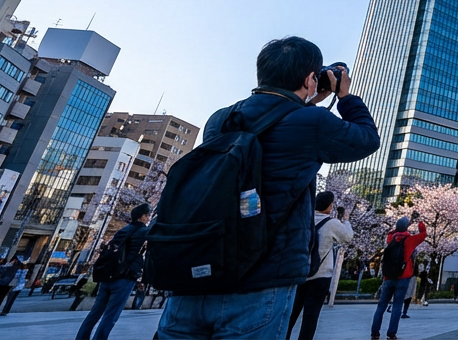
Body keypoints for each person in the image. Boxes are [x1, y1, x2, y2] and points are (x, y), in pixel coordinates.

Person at [157, 39, 381, 340]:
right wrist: (344, 96)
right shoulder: (312, 122)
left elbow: (274, 122)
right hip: (261, 280)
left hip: (198, 268)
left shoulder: (222, 118)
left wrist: (307, 99)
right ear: (309, 79)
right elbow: (367, 138)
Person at [77, 204, 151, 340]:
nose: (148, 218)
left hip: (108, 276)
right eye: (147, 215)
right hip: (126, 277)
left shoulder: (123, 230)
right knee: (111, 315)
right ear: (143, 217)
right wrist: (144, 279)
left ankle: (81, 337)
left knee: (95, 313)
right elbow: (147, 256)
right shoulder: (144, 233)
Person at [287, 190, 353, 340]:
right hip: (321, 274)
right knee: (311, 315)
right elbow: (348, 237)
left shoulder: (306, 218)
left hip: (300, 272)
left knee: (292, 312)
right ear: (330, 206)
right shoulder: (332, 223)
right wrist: (346, 220)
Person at [373, 216, 428, 339]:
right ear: (407, 228)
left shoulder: (389, 239)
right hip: (403, 277)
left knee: (381, 305)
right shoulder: (409, 241)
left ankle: (375, 333)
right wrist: (419, 222)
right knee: (397, 305)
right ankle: (391, 334)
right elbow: (423, 234)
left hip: (388, 277)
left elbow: (392, 232)